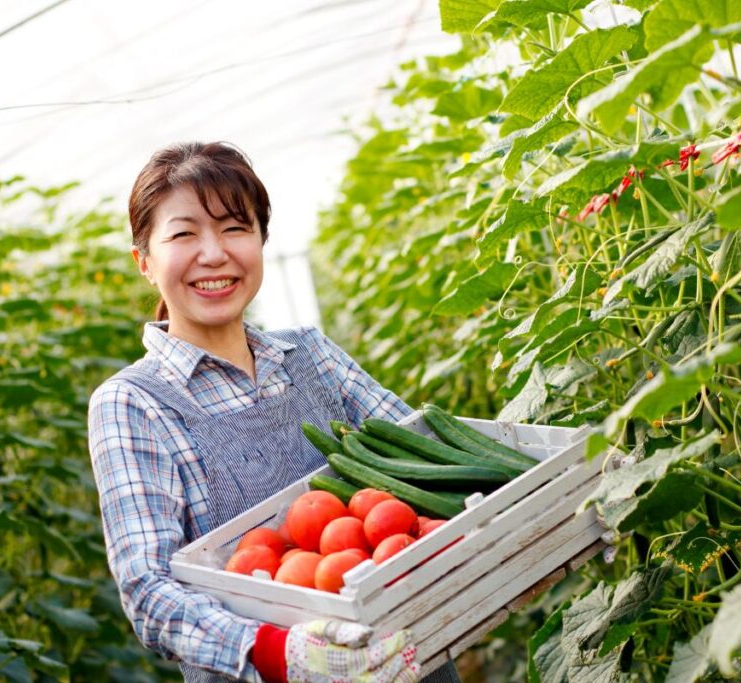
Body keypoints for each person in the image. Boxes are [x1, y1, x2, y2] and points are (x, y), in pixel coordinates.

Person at [87, 142, 462, 683]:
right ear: (145, 261)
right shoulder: (132, 403)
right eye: (184, 233)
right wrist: (275, 651)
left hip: (400, 657)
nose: (213, 253)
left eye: (236, 227)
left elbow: (422, 456)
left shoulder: (310, 354)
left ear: (261, 241)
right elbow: (148, 592)